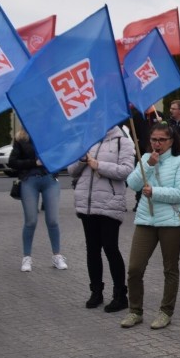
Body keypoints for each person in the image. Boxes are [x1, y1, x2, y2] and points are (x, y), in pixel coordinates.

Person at [120, 122, 180, 330]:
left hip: (171, 222)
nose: (157, 144)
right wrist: (149, 164)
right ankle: (135, 311)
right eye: (154, 139)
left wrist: (155, 193)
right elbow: (132, 184)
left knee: (170, 269)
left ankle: (165, 311)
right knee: (134, 268)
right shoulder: (145, 159)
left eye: (162, 140)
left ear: (171, 141)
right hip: (146, 220)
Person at [68, 125, 136, 311]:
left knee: (110, 247)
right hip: (87, 203)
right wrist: (82, 160)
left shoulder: (123, 140)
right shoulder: (86, 137)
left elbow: (127, 170)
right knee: (92, 249)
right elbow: (71, 170)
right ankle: (96, 292)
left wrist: (99, 165)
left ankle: (120, 295)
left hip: (109, 202)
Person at [8, 130, 67, 272]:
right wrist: (34, 162)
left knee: (53, 220)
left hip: (50, 180)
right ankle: (26, 257)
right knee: (31, 221)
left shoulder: (52, 135)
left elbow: (62, 157)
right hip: (29, 181)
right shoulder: (21, 137)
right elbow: (12, 162)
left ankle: (57, 255)